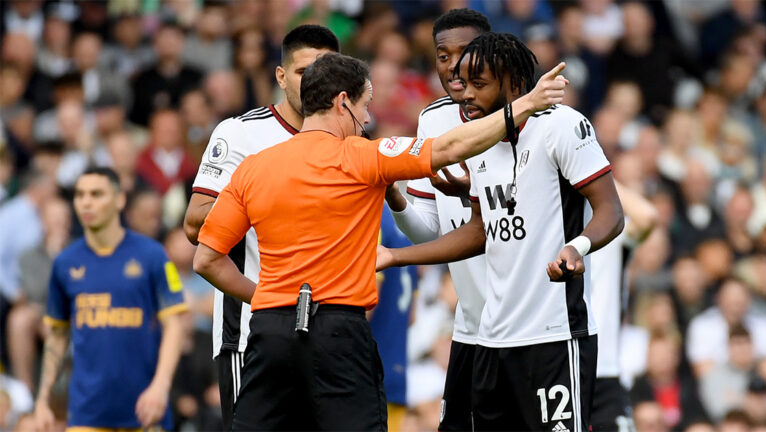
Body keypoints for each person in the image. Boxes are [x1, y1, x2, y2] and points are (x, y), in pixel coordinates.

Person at [192, 51, 568, 430]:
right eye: (365, 105)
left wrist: (265, 299)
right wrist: (526, 104)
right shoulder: (362, 155)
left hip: (269, 331)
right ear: (343, 103)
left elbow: (206, 259)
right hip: (337, 332)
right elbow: (452, 147)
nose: (368, 119)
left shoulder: (253, 167)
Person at [377, 33, 624, 432]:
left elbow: (611, 211)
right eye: (464, 82)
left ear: (511, 83)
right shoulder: (481, 139)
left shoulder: (562, 125)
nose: (466, 94)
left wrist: (576, 247)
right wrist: (395, 256)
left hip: (555, 335)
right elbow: (480, 231)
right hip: (491, 340)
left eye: (479, 84)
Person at [181, 24, 340, 431]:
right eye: (304, 71)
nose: (315, 83)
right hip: (251, 330)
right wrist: (269, 199)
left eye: (326, 71)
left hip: (327, 330)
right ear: (281, 76)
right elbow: (194, 221)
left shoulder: (349, 138)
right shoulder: (242, 132)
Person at [381, 8, 491, 430]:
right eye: (442, 55)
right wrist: (398, 200)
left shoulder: (533, 118)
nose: (452, 66)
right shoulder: (433, 119)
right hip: (469, 324)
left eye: (463, 53)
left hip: (532, 326)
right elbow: (429, 228)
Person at [34, 167, 187, 431]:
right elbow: (57, 335)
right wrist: (43, 399)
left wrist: (160, 387)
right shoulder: (65, 263)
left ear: (119, 200)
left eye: (96, 194)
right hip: (86, 413)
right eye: (80, 195)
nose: (86, 202)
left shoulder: (152, 255)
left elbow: (175, 323)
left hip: (144, 408)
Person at [590, 182, 658, 432]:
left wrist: (595, 175)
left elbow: (647, 216)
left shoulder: (610, 236)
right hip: (556, 371)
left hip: (604, 374)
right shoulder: (547, 235)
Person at [369, 204, 419, 432]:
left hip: (366, 372)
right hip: (396, 368)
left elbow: (367, 301)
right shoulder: (405, 220)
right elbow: (412, 316)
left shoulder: (370, 213)